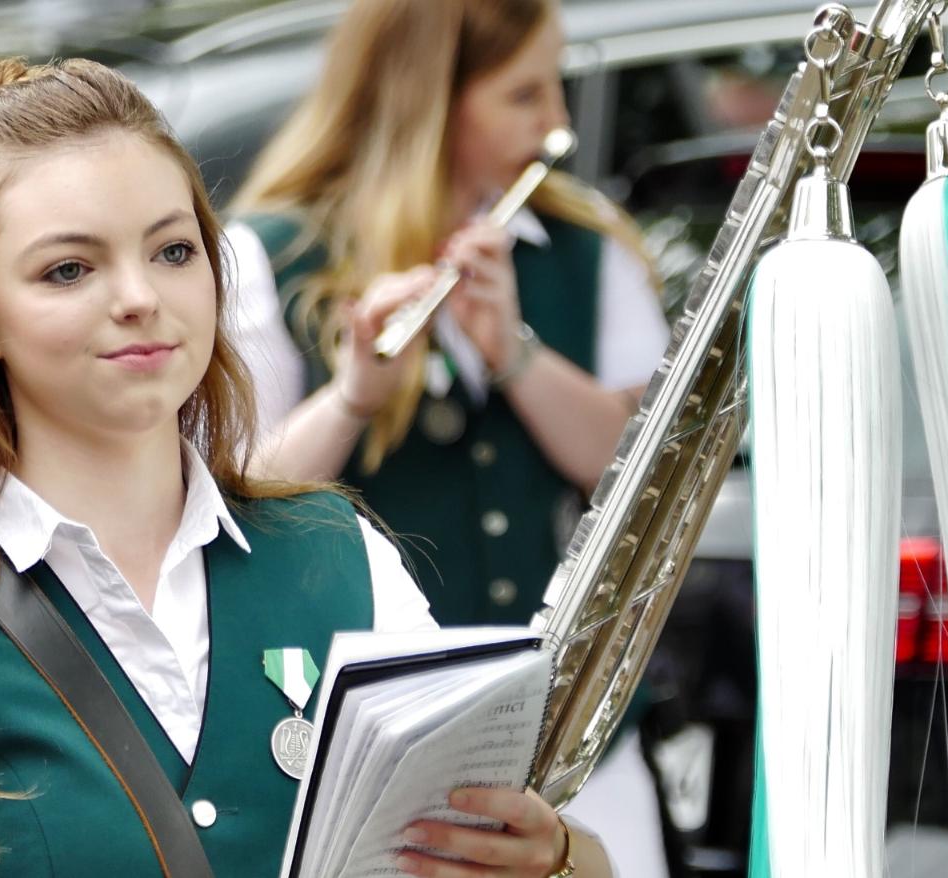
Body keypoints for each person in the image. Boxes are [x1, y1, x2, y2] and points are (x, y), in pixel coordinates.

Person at [0, 55, 618, 878]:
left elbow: (481, 842)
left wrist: (555, 856)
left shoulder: (338, 551)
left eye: (172, 250)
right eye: (68, 269)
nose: (139, 297)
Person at [223, 1, 669, 870]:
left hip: (579, 743)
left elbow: (633, 475)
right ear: (428, 99)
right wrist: (354, 397)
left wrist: (517, 356)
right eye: (523, 95)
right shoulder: (268, 256)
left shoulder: (582, 252)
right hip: (367, 755)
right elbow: (234, 498)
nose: (557, 125)